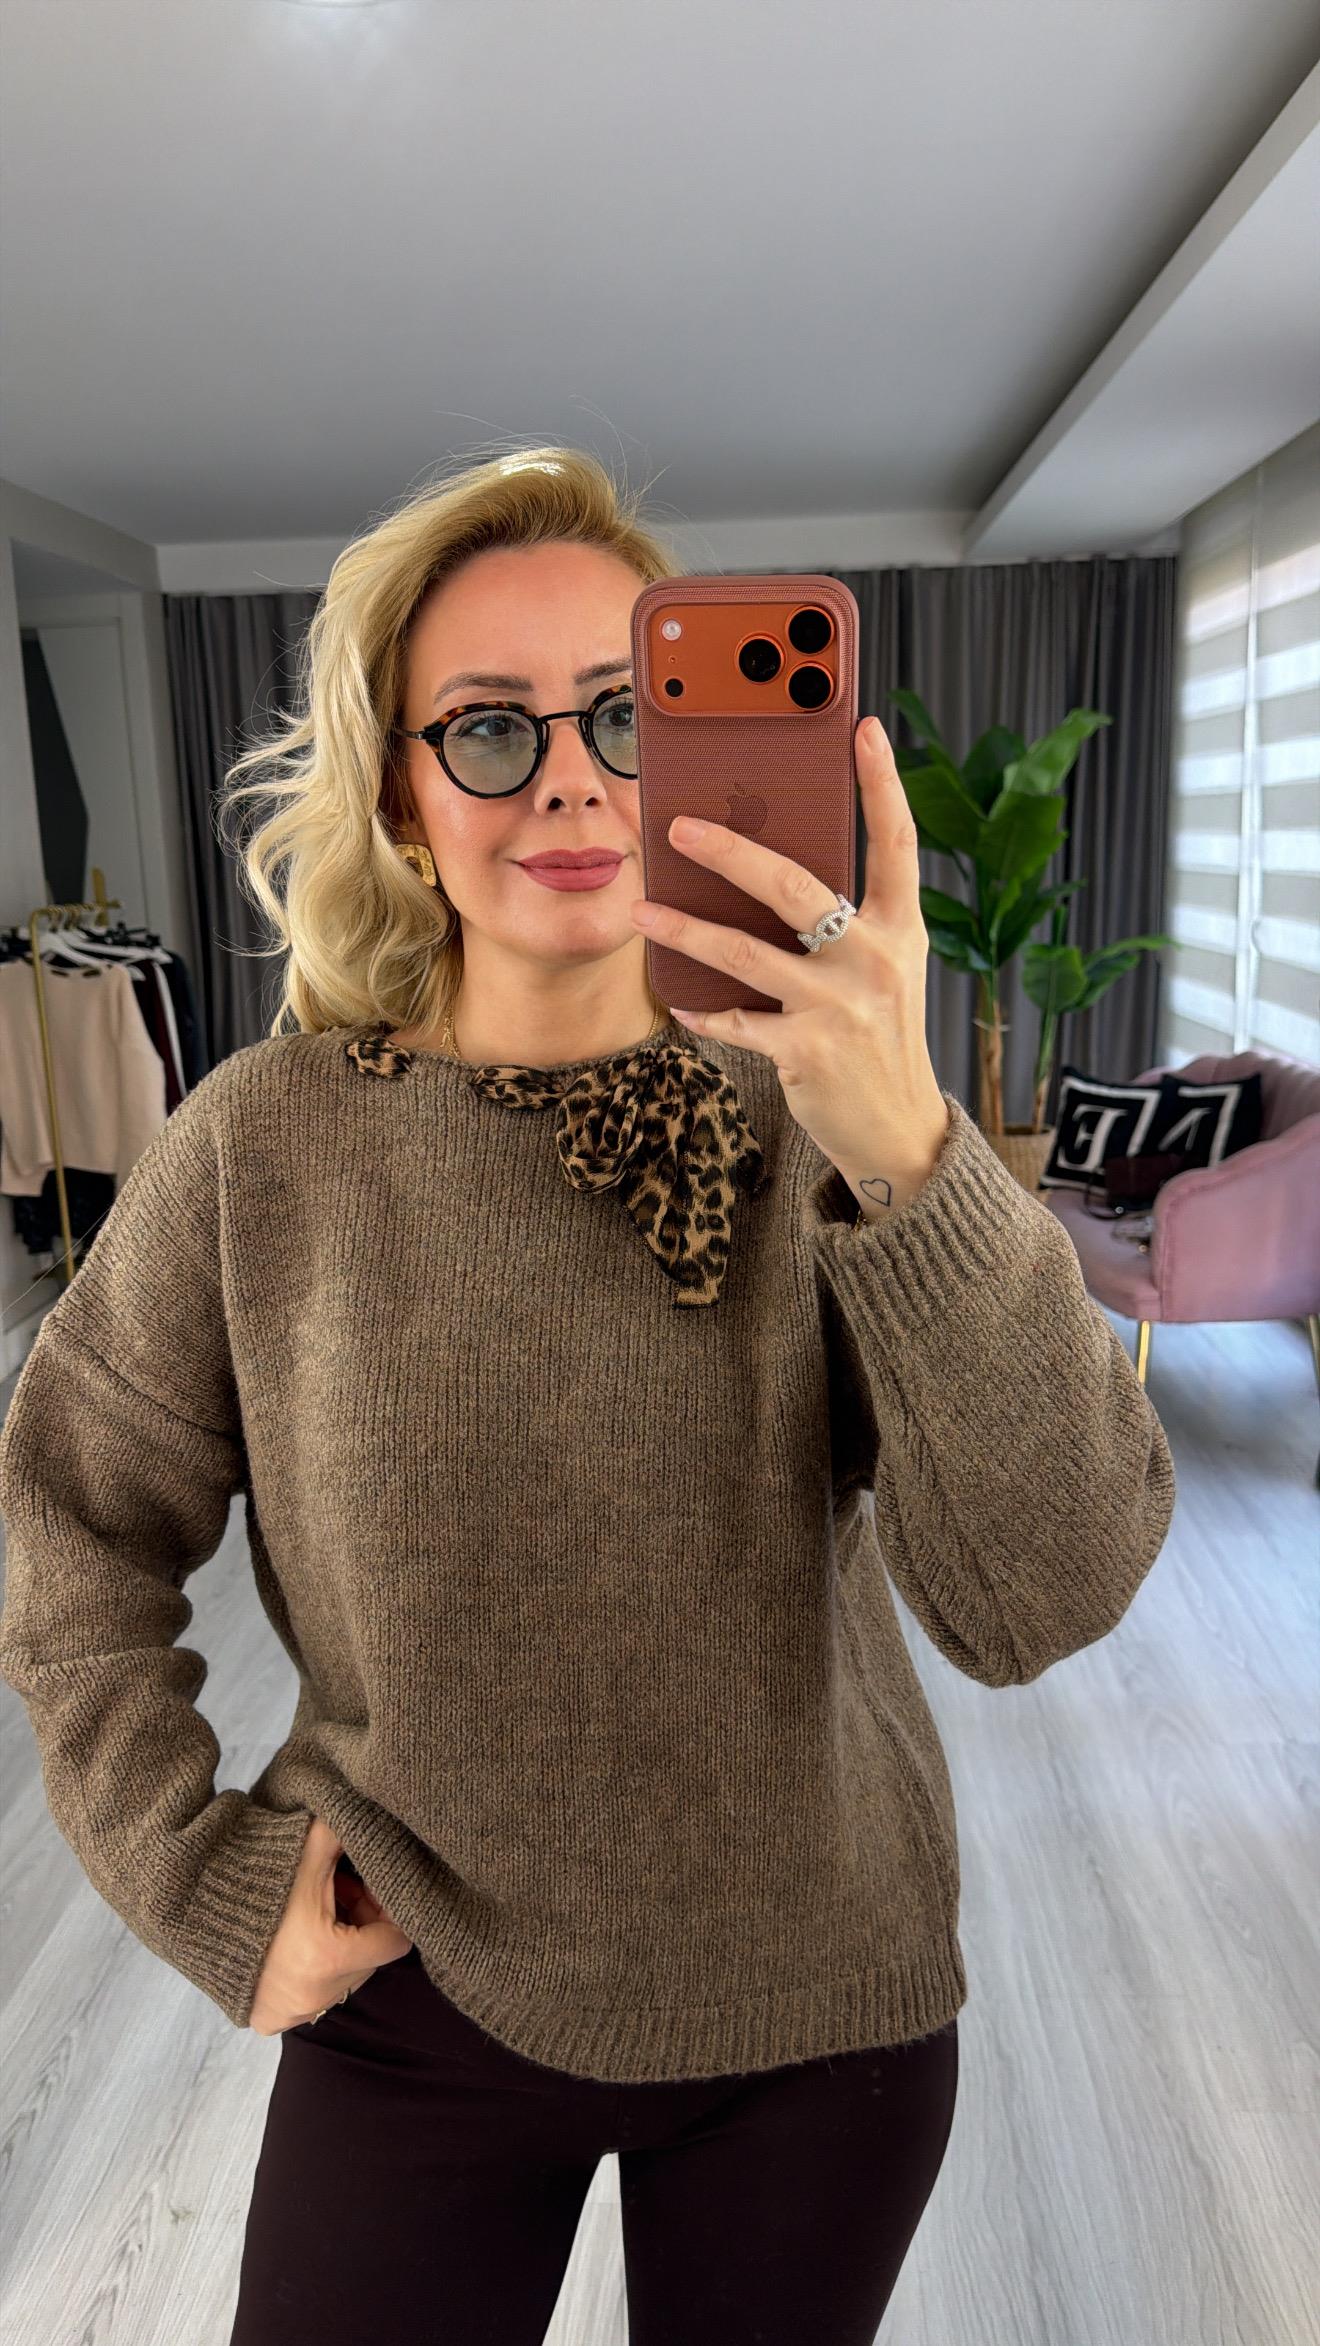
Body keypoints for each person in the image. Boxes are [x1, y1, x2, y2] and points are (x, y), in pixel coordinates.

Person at [0, 446, 1177, 2346]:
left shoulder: (829, 1114)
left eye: (632, 716)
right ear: (402, 791)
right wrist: (187, 1861)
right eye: (489, 728)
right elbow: (64, 1516)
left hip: (819, 2008)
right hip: (413, 1977)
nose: (569, 780)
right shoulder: (259, 1149)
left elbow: (1041, 1593)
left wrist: (911, 1151)